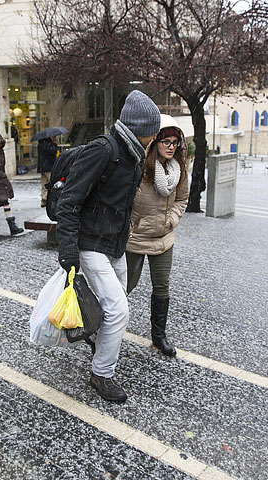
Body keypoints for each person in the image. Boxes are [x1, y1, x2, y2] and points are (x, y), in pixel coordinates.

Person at [56, 90, 161, 403]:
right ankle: (101, 373)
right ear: (142, 130)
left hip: (114, 244)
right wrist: (68, 251)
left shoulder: (132, 155)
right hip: (91, 244)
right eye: (153, 131)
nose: (155, 136)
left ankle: (100, 347)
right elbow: (69, 201)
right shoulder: (105, 151)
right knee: (118, 309)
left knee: (113, 305)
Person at [126, 115, 189, 357]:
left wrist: (171, 219)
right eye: (166, 141)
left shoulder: (179, 170)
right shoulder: (140, 168)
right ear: (155, 142)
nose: (171, 146)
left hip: (164, 239)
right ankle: (103, 328)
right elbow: (125, 199)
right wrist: (132, 224)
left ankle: (158, 336)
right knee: (125, 287)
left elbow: (182, 199)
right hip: (136, 237)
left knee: (161, 287)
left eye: (175, 142)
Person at [37, 136, 58, 207]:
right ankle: (47, 198)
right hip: (49, 167)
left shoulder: (40, 145)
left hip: (42, 168)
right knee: (51, 183)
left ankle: (43, 199)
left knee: (44, 184)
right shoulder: (49, 145)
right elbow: (53, 152)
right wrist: (55, 144)